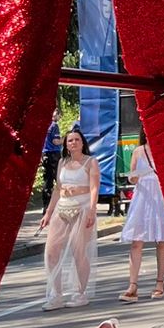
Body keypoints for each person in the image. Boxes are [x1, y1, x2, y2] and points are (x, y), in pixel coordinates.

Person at [39, 127, 99, 310]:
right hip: (62, 207)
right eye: (70, 140)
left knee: (78, 251)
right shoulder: (62, 162)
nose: (73, 143)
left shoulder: (90, 162)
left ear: (82, 143)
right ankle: (56, 295)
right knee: (51, 251)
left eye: (77, 140)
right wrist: (48, 212)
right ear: (65, 144)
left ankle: (81, 293)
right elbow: (58, 188)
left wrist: (92, 210)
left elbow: (94, 188)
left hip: (82, 208)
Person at [119, 127, 164, 300]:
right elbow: (131, 176)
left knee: (161, 240)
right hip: (143, 197)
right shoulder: (138, 151)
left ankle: (160, 283)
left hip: (160, 196)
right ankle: (132, 285)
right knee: (136, 241)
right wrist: (133, 177)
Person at [39, 112, 62, 208]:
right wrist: (65, 139)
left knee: (47, 181)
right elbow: (55, 141)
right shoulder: (54, 125)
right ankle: (64, 203)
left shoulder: (44, 124)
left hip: (45, 154)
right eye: (59, 115)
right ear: (57, 115)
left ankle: (46, 206)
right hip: (54, 154)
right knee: (59, 178)